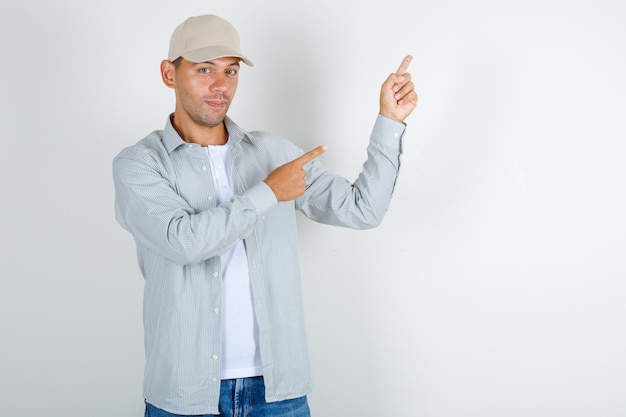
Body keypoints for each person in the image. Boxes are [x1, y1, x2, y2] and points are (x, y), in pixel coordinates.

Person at [113, 13, 417, 417]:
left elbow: (362, 209)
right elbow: (183, 242)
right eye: (204, 69)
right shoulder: (139, 164)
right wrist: (270, 192)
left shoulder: (275, 153)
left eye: (230, 71)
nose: (220, 85)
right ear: (170, 73)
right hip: (185, 396)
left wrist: (389, 122)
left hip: (279, 393)